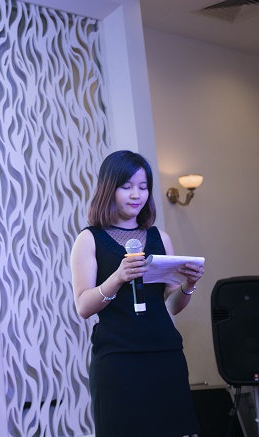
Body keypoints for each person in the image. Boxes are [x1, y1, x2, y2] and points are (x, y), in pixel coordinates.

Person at [69, 150, 204, 437]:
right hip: (118, 358)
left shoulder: (160, 238)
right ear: (109, 188)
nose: (136, 195)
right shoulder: (89, 239)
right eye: (126, 186)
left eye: (143, 187)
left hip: (165, 353)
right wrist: (117, 278)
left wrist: (188, 285)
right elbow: (83, 306)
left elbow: (172, 305)